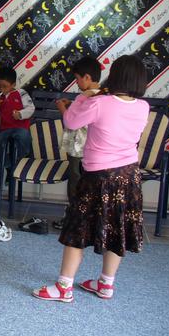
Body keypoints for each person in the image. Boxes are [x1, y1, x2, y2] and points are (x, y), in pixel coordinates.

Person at [33, 55, 150, 302]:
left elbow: (71, 121)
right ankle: (106, 285)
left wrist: (82, 98)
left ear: (115, 76)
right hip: (129, 176)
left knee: (77, 229)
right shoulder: (143, 106)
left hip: (99, 175)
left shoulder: (100, 103)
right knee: (116, 230)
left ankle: (64, 287)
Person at [53, 57, 101, 230]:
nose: (77, 82)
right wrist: (72, 103)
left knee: (75, 182)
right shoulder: (102, 96)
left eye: (77, 78)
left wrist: (63, 109)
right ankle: (87, 219)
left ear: (87, 77)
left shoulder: (86, 96)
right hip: (92, 150)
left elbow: (72, 122)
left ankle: (75, 219)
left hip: (79, 148)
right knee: (88, 183)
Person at [0, 67, 34, 165]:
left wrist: (20, 114)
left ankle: (19, 159)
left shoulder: (21, 93)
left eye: (5, 86)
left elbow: (31, 108)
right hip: (4, 130)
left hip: (20, 128)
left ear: (13, 84)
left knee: (24, 136)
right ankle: (9, 164)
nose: (1, 89)